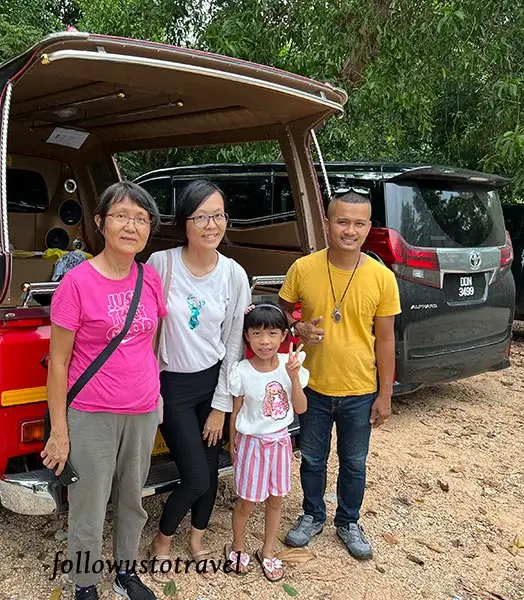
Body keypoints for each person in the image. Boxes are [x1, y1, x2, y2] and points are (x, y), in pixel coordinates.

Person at [41, 181, 166, 600]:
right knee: (89, 506)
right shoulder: (76, 284)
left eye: (141, 219)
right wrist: (60, 432)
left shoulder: (149, 279)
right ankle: (85, 582)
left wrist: (152, 390)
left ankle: (125, 574)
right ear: (100, 222)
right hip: (92, 412)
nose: (131, 226)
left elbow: (149, 338)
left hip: (143, 408)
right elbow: (58, 362)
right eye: (122, 216)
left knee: (133, 498)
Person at [278, 188, 400, 560]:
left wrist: (385, 394)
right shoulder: (304, 268)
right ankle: (312, 514)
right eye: (342, 221)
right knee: (313, 459)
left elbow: (385, 340)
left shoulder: (381, 277)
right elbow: (280, 312)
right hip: (312, 387)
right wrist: (297, 328)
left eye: (359, 223)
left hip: (360, 389)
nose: (350, 230)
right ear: (327, 223)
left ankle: (348, 520)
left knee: (354, 462)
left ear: (368, 228)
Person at [145, 180, 251, 582]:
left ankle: (196, 540)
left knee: (209, 470)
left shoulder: (234, 274)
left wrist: (221, 405)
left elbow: (233, 343)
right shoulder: (162, 263)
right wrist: (150, 389)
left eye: (219, 215)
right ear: (184, 222)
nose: (212, 224)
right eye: (202, 216)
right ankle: (162, 541)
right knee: (196, 476)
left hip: (212, 386)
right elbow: (148, 332)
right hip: (172, 385)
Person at [225, 303, 309, 581]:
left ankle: (268, 551)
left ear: (284, 336)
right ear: (247, 336)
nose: (265, 341)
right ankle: (238, 547)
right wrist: (232, 443)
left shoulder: (290, 365)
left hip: (281, 443)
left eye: (273, 333)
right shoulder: (242, 371)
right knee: (247, 502)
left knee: (276, 501)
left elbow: (301, 408)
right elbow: (235, 412)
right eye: (257, 333)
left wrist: (294, 378)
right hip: (251, 444)